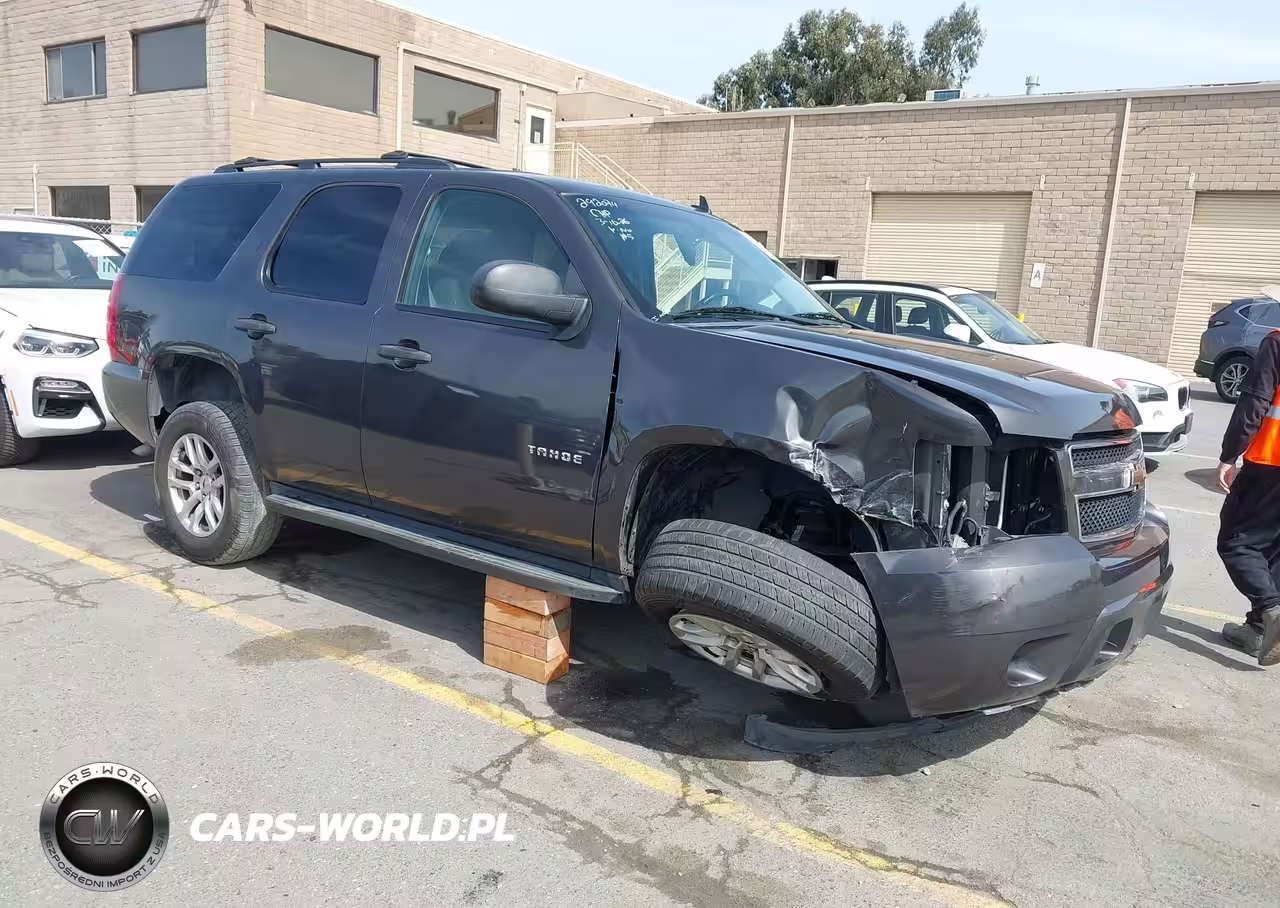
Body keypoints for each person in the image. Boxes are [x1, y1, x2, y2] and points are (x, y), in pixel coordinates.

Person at [1218, 328, 1280, 665]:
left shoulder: (1277, 341)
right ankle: (1259, 630)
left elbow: (1256, 400)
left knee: (1236, 542)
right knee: (1274, 545)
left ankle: (1271, 610)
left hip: (1273, 462)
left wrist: (1230, 456)